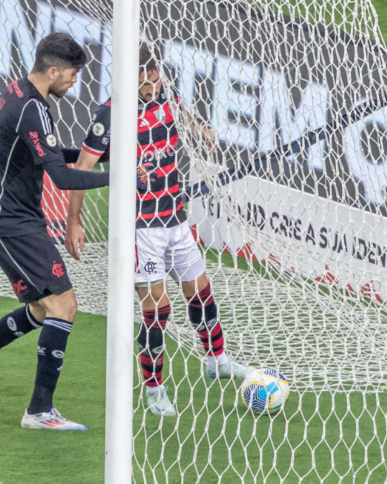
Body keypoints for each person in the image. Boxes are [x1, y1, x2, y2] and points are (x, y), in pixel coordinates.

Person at [64, 43, 253, 417]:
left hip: (175, 217)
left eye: (154, 78)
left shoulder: (167, 93)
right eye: (143, 80)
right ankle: (154, 391)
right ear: (127, 77)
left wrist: (202, 132)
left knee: (200, 290)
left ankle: (216, 359)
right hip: (139, 227)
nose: (151, 86)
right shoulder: (110, 115)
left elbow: (182, 116)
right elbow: (82, 167)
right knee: (158, 310)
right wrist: (74, 220)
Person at [0, 33, 110, 431]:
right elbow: (61, 176)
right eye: (72, 75)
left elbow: (49, 152)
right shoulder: (32, 109)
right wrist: (119, 178)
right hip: (9, 224)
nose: (75, 82)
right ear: (52, 71)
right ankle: (39, 411)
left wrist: (100, 157)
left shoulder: (20, 93)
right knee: (63, 305)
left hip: (18, 219)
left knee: (42, 309)